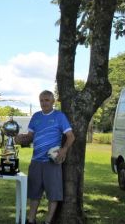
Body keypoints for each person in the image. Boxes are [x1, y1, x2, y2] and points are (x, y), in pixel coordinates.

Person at [15, 90, 75, 224]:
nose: (44, 103)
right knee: (34, 193)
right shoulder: (36, 116)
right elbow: (30, 137)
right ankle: (31, 220)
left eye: (47, 100)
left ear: (53, 101)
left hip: (52, 161)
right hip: (36, 160)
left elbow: (71, 136)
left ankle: (47, 221)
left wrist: (64, 150)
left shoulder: (59, 116)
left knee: (53, 195)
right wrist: (21, 138)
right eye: (41, 100)